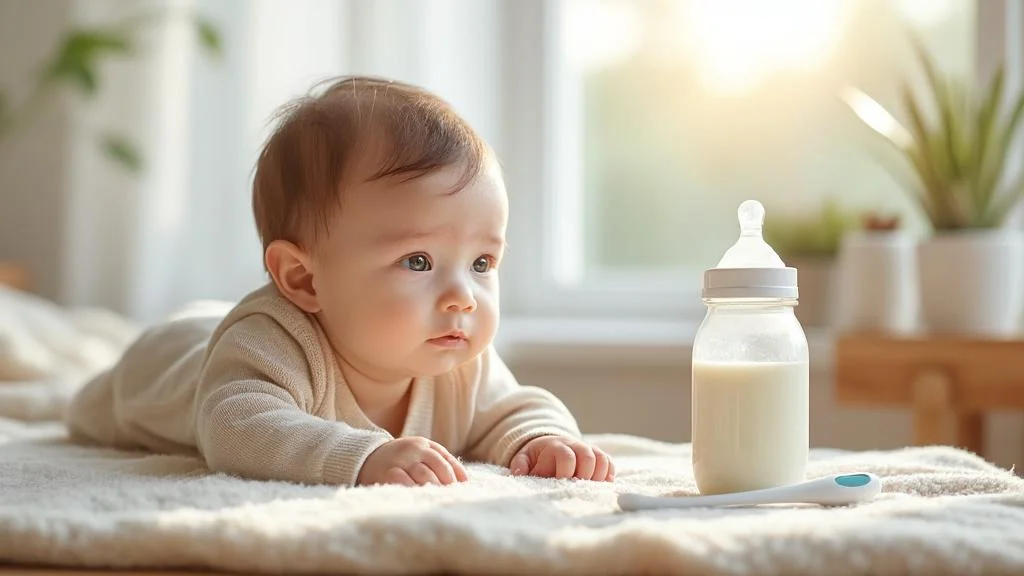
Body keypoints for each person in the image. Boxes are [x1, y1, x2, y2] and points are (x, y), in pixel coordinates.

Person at [65, 76, 616, 487]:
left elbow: (514, 407)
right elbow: (234, 425)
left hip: (208, 332)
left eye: (482, 263)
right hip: (165, 360)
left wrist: (543, 439)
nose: (463, 298)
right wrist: (362, 456)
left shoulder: (459, 357)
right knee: (83, 405)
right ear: (304, 279)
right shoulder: (270, 343)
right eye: (419, 262)